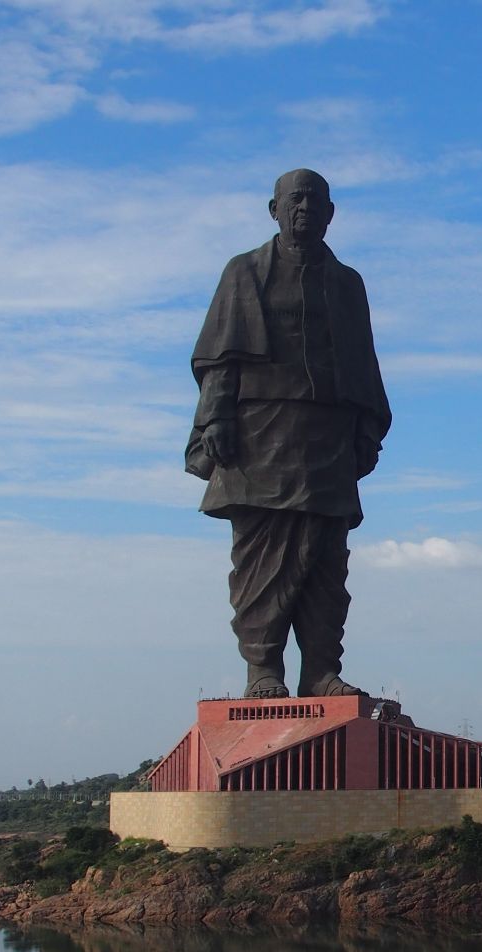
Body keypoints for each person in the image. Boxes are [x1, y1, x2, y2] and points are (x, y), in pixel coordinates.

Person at [185, 169, 391, 699]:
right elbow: (219, 358)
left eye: (315, 201)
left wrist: (366, 430)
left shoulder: (347, 283)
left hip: (327, 438)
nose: (304, 209)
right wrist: (215, 420)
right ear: (273, 209)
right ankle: (263, 671)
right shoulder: (244, 272)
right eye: (294, 200)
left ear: (330, 213)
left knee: (326, 561)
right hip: (260, 437)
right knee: (261, 560)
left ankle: (321, 670)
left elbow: (363, 364)